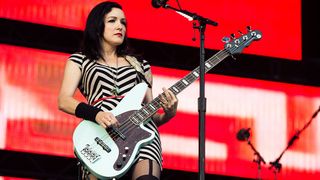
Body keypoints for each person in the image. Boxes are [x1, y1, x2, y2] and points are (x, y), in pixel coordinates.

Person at [58, 1, 178, 180]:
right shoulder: (79, 60)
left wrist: (169, 113)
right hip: (101, 133)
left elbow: (150, 114)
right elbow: (64, 101)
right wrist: (97, 114)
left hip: (141, 139)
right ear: (98, 26)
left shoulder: (141, 65)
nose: (119, 26)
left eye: (123, 22)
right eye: (112, 21)